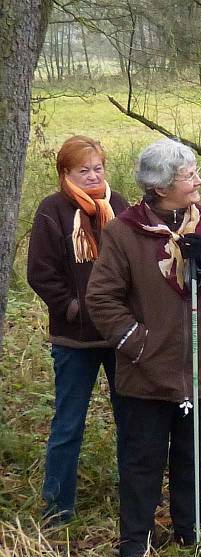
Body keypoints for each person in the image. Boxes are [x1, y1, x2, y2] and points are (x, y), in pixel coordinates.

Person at [86, 139, 201, 557]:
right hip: (146, 371)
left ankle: (190, 532)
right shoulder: (123, 232)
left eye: (194, 172)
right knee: (142, 458)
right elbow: (102, 299)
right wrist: (138, 343)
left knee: (194, 454)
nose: (198, 181)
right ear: (160, 187)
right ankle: (134, 542)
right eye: (187, 176)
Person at [27, 135, 129, 523]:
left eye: (97, 168)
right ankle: (58, 507)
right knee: (69, 423)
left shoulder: (118, 206)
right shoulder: (52, 211)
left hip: (119, 335)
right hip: (75, 339)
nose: (92, 176)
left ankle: (133, 498)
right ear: (65, 173)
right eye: (83, 170)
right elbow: (40, 272)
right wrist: (73, 307)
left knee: (131, 420)